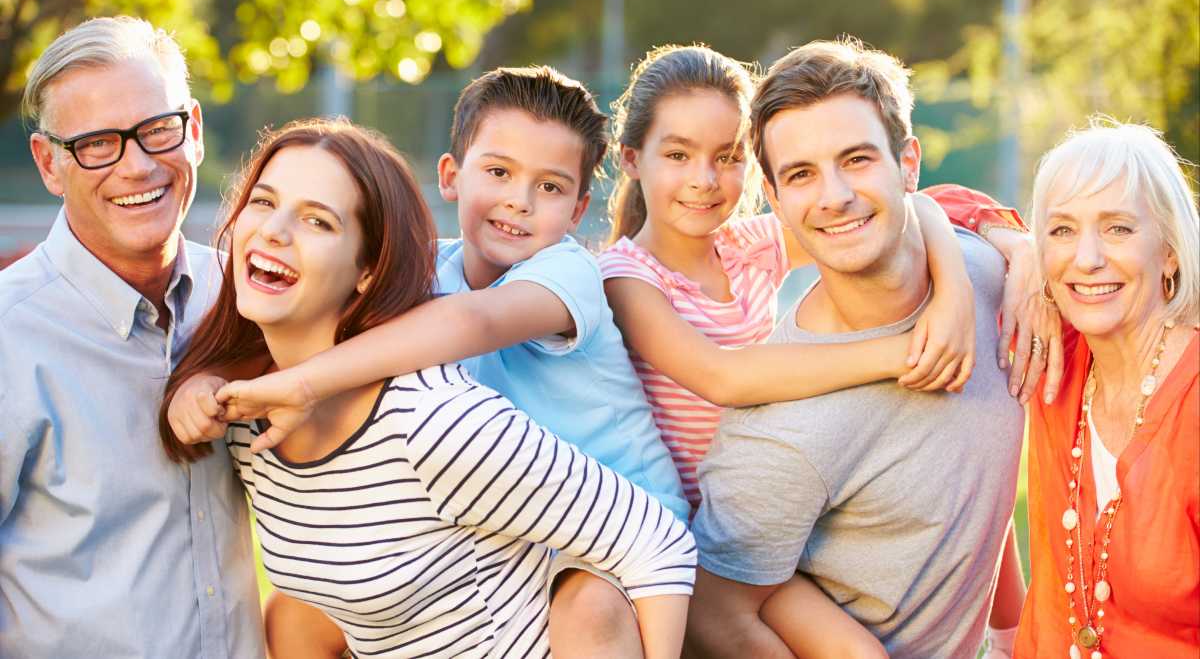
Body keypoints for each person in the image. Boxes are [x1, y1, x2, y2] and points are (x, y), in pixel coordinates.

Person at [168, 67, 690, 657]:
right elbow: (319, 324)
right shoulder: (426, 276)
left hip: (618, 520)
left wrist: (302, 385)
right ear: (451, 176)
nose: (519, 200)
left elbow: (473, 322)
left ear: (577, 210)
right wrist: (209, 380)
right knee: (295, 612)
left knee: (589, 608)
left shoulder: (565, 273)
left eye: (549, 187)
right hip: (520, 518)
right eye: (498, 172)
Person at [684, 38, 1026, 658]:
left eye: (858, 159)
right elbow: (713, 613)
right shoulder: (779, 435)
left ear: (909, 163)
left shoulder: (993, 281)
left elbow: (972, 490)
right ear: (777, 197)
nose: (834, 195)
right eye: (801, 174)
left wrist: (1013, 637)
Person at [0, 17, 263, 657]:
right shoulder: (9, 335)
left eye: (157, 129)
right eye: (96, 143)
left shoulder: (250, 300)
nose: (138, 165)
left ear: (193, 131)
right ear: (49, 163)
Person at [1007, 119, 1199, 657]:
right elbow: (930, 205)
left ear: (1171, 251)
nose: (1086, 259)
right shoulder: (1055, 362)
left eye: (1118, 228)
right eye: (1063, 231)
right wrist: (1017, 249)